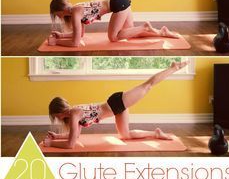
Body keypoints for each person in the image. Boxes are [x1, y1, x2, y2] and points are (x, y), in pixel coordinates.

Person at [42, 63, 184, 149]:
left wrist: (50, 144)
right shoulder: (73, 115)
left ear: (59, 113)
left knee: (148, 85)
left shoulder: (74, 113)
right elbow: (75, 135)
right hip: (116, 109)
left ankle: (173, 68)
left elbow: (70, 144)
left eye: (55, 117)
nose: (57, 120)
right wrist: (57, 136)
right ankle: (156, 133)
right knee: (125, 135)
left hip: (117, 102)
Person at [48, 0, 181, 50]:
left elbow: (75, 43)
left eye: (56, 15)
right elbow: (80, 34)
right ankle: (161, 33)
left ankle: (145, 27)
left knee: (113, 37)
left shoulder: (76, 12)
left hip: (118, 3)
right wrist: (62, 35)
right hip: (121, 0)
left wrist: (56, 42)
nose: (58, 17)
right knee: (130, 33)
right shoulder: (75, 11)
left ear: (59, 10)